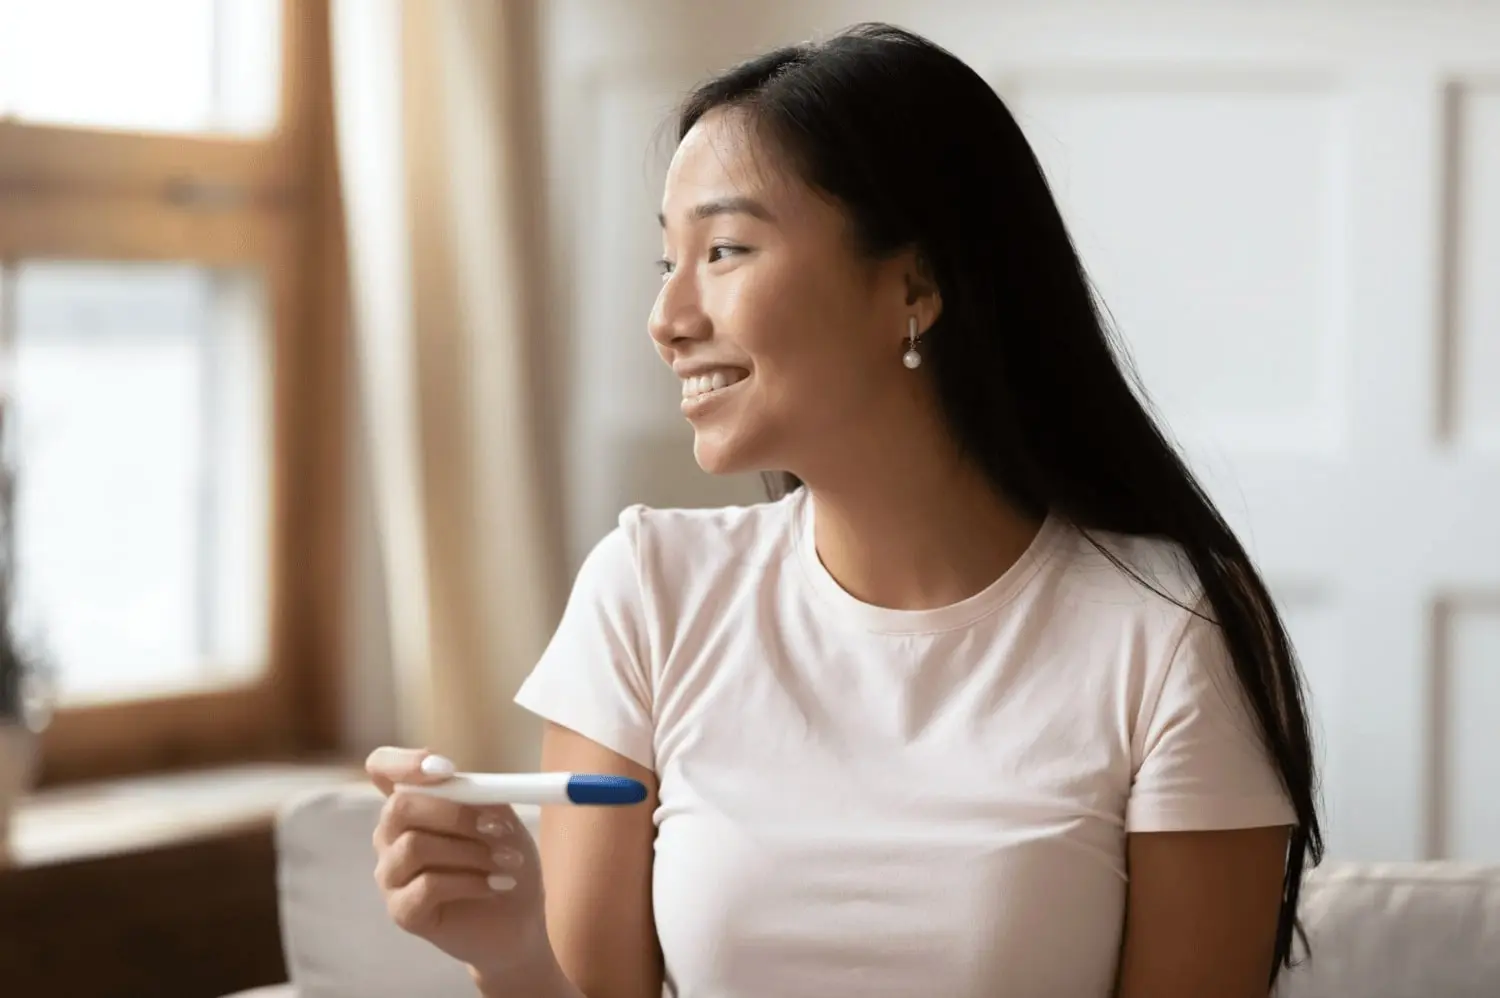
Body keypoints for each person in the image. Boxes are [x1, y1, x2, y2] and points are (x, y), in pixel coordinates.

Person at [365, 22, 1322, 998]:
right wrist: (510, 948)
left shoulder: (1166, 629)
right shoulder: (648, 593)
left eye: (725, 250)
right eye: (668, 262)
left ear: (913, 285)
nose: (668, 318)